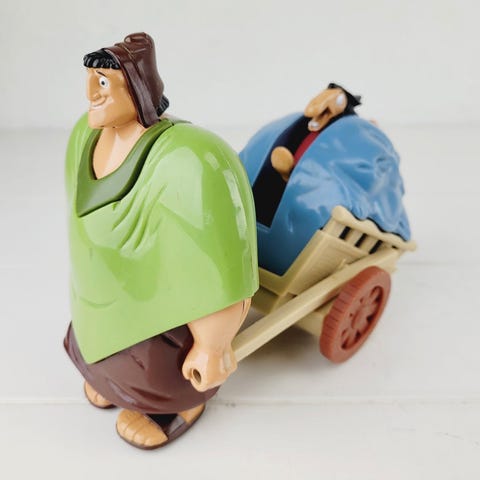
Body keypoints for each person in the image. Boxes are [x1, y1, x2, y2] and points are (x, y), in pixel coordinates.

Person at [64, 33, 258, 450]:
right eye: (90, 80)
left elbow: (218, 263)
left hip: (159, 314)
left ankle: (179, 404)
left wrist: (212, 345)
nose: (91, 94)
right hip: (101, 301)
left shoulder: (190, 157)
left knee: (156, 359)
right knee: (97, 340)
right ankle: (109, 379)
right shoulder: (84, 137)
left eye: (103, 83)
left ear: (137, 89)